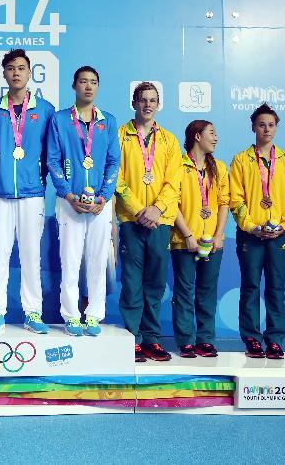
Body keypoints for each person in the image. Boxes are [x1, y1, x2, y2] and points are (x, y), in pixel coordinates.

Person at [0, 49, 54, 334]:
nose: (16, 73)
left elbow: (51, 152)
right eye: (11, 68)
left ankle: (32, 312)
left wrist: (37, 177)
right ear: (4, 73)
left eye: (21, 68)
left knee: (30, 254)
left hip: (32, 193)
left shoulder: (45, 110)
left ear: (30, 73)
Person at [47, 66, 120, 337]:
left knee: (98, 259)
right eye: (83, 82)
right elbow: (53, 160)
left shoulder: (108, 121)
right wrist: (67, 194)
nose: (88, 87)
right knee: (70, 260)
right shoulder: (60, 120)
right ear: (74, 86)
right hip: (69, 202)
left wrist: (104, 195)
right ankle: (71, 315)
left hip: (101, 202)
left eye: (93, 82)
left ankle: (94, 314)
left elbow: (114, 161)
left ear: (98, 87)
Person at [115, 82, 182, 361]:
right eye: (143, 100)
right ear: (134, 102)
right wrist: (138, 209)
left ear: (158, 104)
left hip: (160, 221)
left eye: (153, 100)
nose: (147, 105)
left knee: (155, 283)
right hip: (131, 220)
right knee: (132, 282)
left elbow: (174, 180)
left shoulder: (168, 140)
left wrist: (155, 209)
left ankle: (152, 339)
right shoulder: (119, 135)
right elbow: (115, 177)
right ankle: (132, 338)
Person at [229, 103, 285, 360]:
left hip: (279, 234)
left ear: (276, 128)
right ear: (253, 128)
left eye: (271, 125)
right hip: (251, 235)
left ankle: (275, 339)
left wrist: (284, 224)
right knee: (250, 287)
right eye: (261, 125)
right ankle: (251, 339)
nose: (266, 129)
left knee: (276, 288)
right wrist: (253, 226)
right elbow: (236, 199)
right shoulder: (240, 160)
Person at [171, 120, 229, 358]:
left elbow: (224, 203)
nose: (215, 138)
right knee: (184, 292)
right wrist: (187, 234)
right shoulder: (178, 165)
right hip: (185, 240)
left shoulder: (220, 168)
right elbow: (171, 202)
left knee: (207, 291)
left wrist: (218, 236)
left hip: (212, 242)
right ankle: (186, 341)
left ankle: (205, 340)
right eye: (211, 134)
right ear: (197, 136)